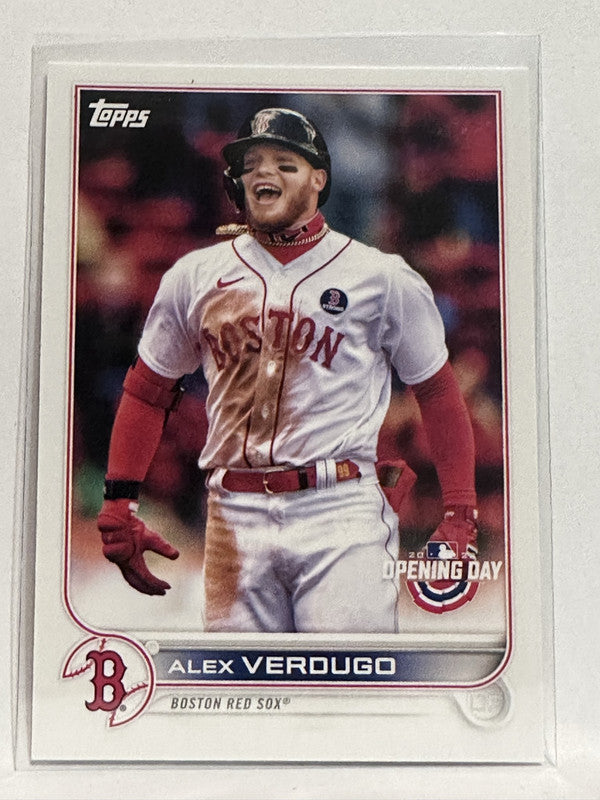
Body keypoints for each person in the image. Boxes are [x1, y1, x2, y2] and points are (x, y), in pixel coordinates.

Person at [97, 107, 478, 633]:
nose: (264, 173)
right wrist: (119, 501)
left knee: (345, 678)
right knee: (241, 683)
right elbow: (147, 390)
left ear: (319, 179)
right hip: (233, 514)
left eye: (284, 163)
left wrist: (460, 512)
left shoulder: (380, 276)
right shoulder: (196, 275)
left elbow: (436, 392)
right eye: (252, 163)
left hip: (339, 509)